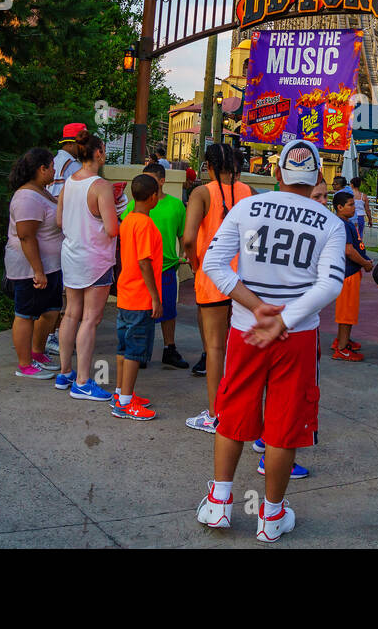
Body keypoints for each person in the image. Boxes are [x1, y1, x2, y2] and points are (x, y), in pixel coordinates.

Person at [195, 140, 345, 542]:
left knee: (233, 412)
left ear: (278, 174)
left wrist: (257, 306)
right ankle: (271, 517)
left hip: (246, 329)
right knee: (283, 426)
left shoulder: (247, 208)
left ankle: (220, 504)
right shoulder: (331, 223)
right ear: (317, 178)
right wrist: (286, 319)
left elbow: (212, 263)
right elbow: (331, 283)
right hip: (296, 337)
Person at [182, 143, 254, 431]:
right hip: (244, 280)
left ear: (209, 167)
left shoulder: (201, 193)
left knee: (214, 348)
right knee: (238, 346)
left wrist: (194, 261)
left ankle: (215, 414)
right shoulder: (248, 192)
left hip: (212, 279)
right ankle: (239, 408)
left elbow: (188, 238)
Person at [55, 131, 120, 401]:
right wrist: (119, 206)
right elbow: (113, 228)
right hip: (96, 259)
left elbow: (59, 221)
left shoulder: (69, 181)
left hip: (71, 255)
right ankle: (82, 382)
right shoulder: (101, 186)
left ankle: (65, 372)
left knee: (71, 314)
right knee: (90, 319)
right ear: (98, 153)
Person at [123, 162, 190, 369]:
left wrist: (185, 252)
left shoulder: (175, 206)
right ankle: (139, 353)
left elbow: (182, 234)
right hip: (140, 271)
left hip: (166, 267)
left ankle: (169, 348)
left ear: (162, 181)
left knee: (168, 310)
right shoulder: (133, 209)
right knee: (142, 314)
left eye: (151, 179)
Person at [4, 148, 62, 379]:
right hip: (30, 267)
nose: (54, 170)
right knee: (25, 314)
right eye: (51, 166)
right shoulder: (27, 197)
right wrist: (38, 270)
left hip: (50, 265)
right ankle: (25, 364)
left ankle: (37, 353)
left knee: (51, 310)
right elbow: (26, 236)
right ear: (42, 168)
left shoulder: (41, 191)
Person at [112, 174, 163, 419]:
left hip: (125, 294)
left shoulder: (128, 220)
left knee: (123, 347)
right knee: (134, 350)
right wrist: (155, 297)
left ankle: (122, 393)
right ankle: (125, 403)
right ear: (153, 197)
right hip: (140, 297)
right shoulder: (145, 225)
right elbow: (144, 262)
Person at [43, 122, 87, 357]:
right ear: (72, 143)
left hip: (48, 231)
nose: (84, 147)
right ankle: (55, 337)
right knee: (64, 290)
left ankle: (49, 336)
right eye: (82, 142)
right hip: (64, 232)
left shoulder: (54, 161)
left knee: (54, 286)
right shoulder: (72, 167)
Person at [331, 190, 371, 361]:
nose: (354, 207)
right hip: (348, 273)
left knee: (347, 311)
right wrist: (364, 262)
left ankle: (343, 340)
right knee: (347, 313)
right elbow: (349, 250)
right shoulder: (343, 224)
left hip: (348, 273)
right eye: (351, 204)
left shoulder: (344, 222)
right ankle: (341, 348)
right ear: (340, 207)